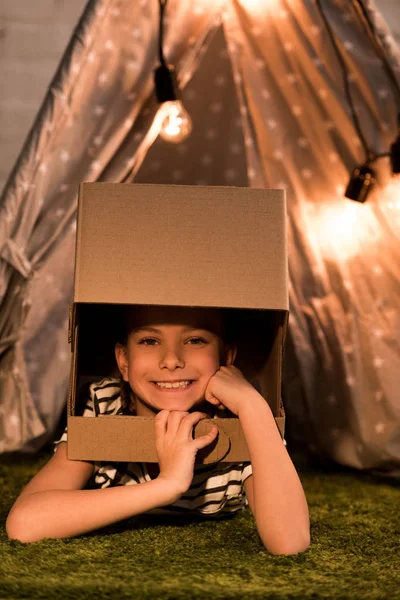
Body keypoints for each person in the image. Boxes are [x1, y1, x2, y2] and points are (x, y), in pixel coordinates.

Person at [6, 304, 310, 554]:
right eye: (150, 341)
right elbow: (25, 524)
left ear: (227, 357)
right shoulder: (103, 404)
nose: (172, 360)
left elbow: (289, 542)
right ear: (123, 361)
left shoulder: (243, 418)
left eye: (196, 340)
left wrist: (252, 406)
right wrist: (167, 486)